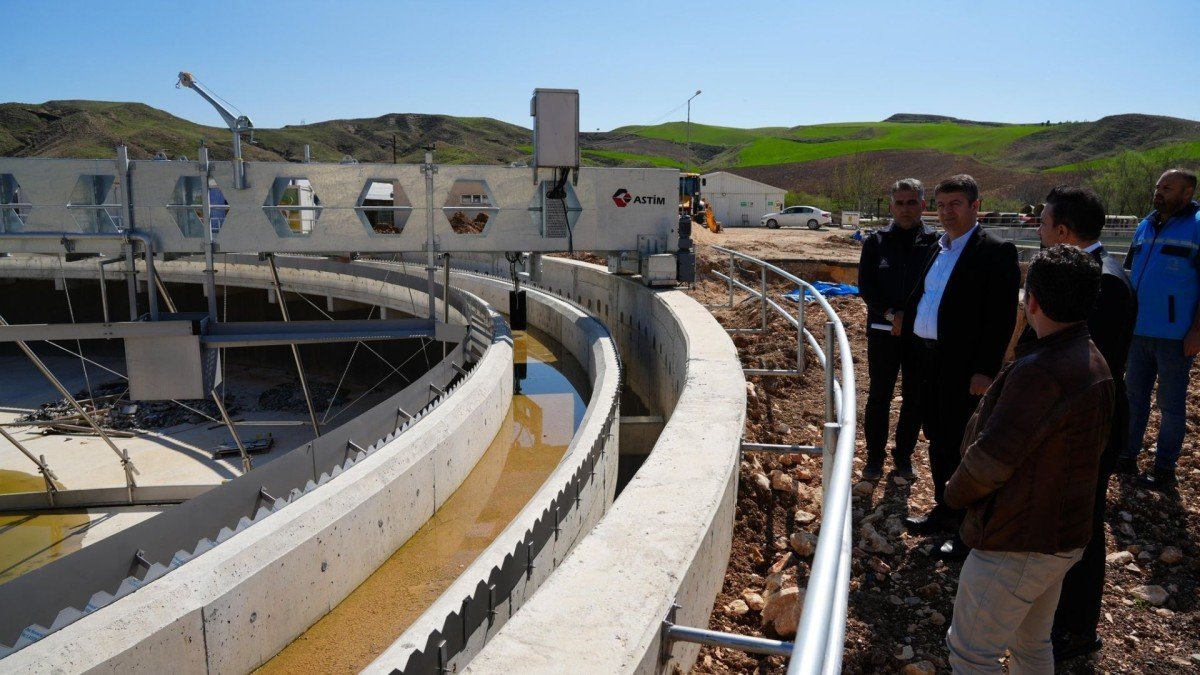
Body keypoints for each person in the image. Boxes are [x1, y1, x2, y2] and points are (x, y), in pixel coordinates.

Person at [944, 245, 1114, 674]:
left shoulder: (1041, 371)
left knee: (971, 656)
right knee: (1032, 645)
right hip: (1062, 535)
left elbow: (992, 460)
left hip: (1018, 540)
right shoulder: (1094, 360)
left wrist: (954, 495)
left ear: (1031, 300)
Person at [1028, 187, 1136, 661]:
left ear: (1065, 232)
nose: (1039, 230)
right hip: (1077, 424)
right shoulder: (1097, 272)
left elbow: (1090, 369)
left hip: (1088, 428)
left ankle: (1076, 629)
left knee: (1083, 529)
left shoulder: (1103, 282)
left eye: (1045, 223)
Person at [902, 174, 1020, 563]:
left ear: (975, 206)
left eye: (955, 204)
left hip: (965, 368)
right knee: (937, 436)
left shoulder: (995, 251)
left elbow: (1000, 318)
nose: (947, 212)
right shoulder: (939, 248)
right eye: (941, 204)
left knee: (964, 444)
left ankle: (969, 527)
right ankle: (945, 508)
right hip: (927, 359)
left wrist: (986, 370)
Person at [1116, 168, 1200, 490]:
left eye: (1167, 187)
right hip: (1137, 332)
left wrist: (1196, 331)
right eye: (1158, 186)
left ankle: (1164, 470)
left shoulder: (1196, 227)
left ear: (1187, 193)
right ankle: (1126, 457)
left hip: (1175, 336)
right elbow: (1129, 273)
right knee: (1133, 397)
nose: (1159, 191)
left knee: (1172, 405)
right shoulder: (1144, 225)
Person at [857, 178, 938, 480]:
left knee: (915, 396)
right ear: (891, 206)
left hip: (920, 335)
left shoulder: (934, 245)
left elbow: (935, 289)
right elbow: (867, 287)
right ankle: (874, 457)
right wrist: (893, 315)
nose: (905, 209)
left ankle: (903, 457)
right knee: (880, 395)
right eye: (900, 203)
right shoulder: (876, 243)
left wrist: (910, 319)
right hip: (883, 331)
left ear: (922, 205)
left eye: (911, 202)